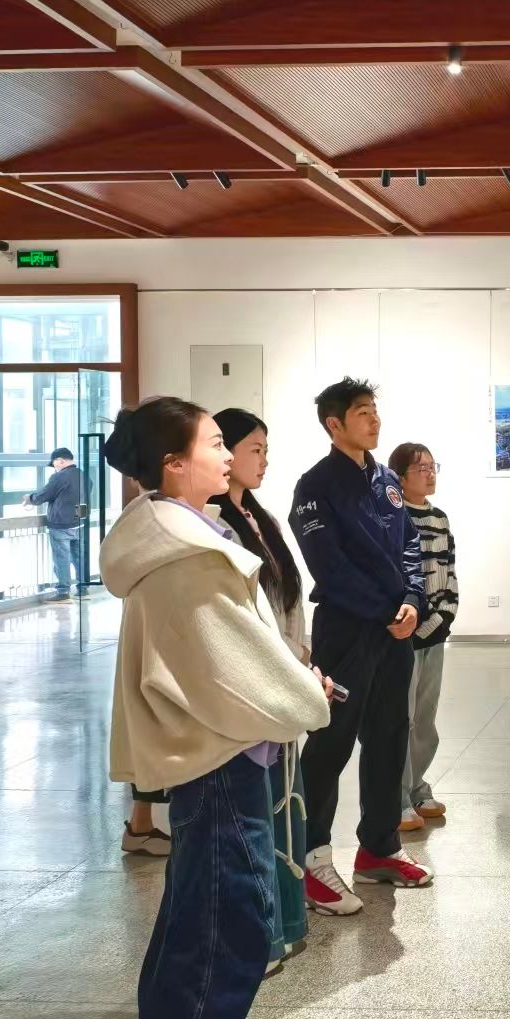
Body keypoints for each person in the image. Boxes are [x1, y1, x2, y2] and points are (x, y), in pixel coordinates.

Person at [101, 397, 333, 1019]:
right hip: (220, 759)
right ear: (174, 464)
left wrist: (292, 676)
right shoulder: (186, 556)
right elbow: (228, 668)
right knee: (224, 932)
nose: (227, 453)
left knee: (198, 925)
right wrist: (304, 694)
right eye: (213, 443)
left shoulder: (187, 535)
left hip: (220, 754)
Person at [291, 378, 433, 916]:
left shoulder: (386, 480)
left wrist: (413, 601)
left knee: (390, 736)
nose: (374, 420)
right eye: (362, 413)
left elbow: (411, 545)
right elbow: (328, 565)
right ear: (335, 424)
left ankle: (378, 848)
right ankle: (311, 858)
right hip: (348, 629)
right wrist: (384, 610)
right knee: (331, 742)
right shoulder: (315, 486)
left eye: (375, 411)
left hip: (395, 629)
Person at [211, 407, 315, 974]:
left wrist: (301, 657)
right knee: (254, 821)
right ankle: (262, 937)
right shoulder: (215, 525)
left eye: (265, 450)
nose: (263, 460)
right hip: (255, 687)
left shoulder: (259, 517)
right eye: (254, 449)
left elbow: (288, 599)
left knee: (283, 809)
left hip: (284, 677)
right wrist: (286, 663)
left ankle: (285, 926)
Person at [388, 442, 458, 832]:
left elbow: (450, 572)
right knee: (403, 718)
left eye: (433, 466)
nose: (430, 474)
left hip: (434, 634)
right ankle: (397, 798)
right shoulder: (393, 518)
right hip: (404, 634)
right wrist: (413, 623)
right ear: (400, 477)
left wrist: (442, 618)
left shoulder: (440, 518)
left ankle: (417, 788)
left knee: (425, 718)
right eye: (421, 468)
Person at [26, 446, 84, 601]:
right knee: (79, 558)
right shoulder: (83, 475)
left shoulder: (59, 477)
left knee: (61, 559)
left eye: (54, 464)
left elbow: (43, 495)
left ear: (61, 460)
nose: (54, 467)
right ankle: (83, 589)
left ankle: (63, 592)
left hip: (61, 525)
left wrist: (30, 498)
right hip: (79, 523)